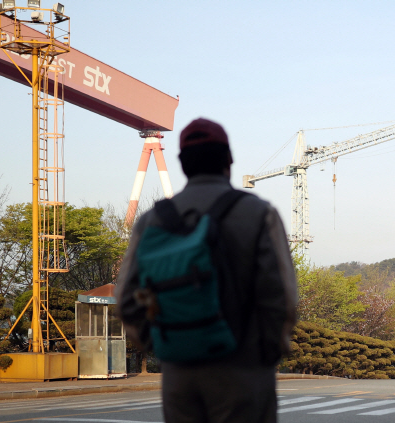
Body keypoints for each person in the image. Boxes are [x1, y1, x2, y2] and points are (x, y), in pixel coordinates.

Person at [115, 117, 298, 423]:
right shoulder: (258, 214)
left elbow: (126, 301)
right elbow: (281, 297)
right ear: (229, 160)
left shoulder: (152, 221)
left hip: (179, 376)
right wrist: (268, 353)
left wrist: (164, 345)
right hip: (244, 369)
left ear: (183, 164)